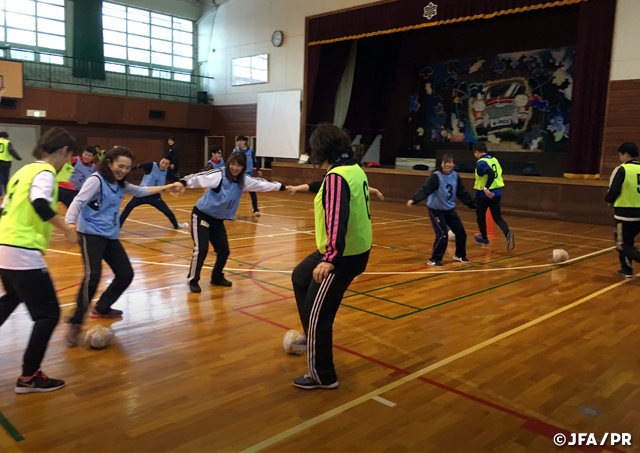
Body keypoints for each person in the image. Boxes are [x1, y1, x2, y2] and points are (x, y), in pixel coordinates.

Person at [64, 147, 182, 346]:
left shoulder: (119, 184)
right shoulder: (96, 180)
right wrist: (69, 224)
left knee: (126, 274)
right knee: (92, 277)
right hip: (90, 235)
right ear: (109, 163)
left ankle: (102, 308)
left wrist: (166, 188)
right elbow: (78, 202)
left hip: (110, 236)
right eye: (120, 166)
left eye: (127, 168)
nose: (123, 171)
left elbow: (141, 191)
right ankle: (76, 322)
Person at [285, 123, 372, 390]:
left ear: (322, 148)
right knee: (300, 276)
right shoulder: (352, 169)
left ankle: (323, 375)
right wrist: (302, 188)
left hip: (341, 255)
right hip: (352, 250)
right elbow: (335, 189)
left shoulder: (337, 177)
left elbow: (337, 219)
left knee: (318, 313)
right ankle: (312, 337)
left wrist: (329, 259)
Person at [0, 127, 77, 393]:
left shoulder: (22, 171)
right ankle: (29, 377)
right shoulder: (45, 173)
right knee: (48, 314)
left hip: (4, 246)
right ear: (64, 151)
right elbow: (40, 204)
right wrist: (66, 228)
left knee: (11, 298)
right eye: (69, 156)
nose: (67, 162)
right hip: (22, 250)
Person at [179, 151, 286, 293]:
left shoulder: (243, 180)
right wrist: (183, 182)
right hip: (201, 216)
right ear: (228, 163)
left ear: (243, 167)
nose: (235, 168)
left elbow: (261, 184)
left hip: (217, 220)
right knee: (201, 249)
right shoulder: (219, 175)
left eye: (239, 165)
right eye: (233, 164)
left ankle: (217, 277)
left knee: (224, 251)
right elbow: (200, 177)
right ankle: (192, 280)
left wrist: (280, 187)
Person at [407, 153, 477, 267]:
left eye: (450, 162)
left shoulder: (455, 176)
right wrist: (414, 199)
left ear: (453, 164)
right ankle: (434, 259)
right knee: (442, 234)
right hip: (436, 210)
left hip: (449, 210)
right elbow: (425, 189)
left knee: (461, 233)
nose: (447, 165)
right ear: (441, 164)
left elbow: (462, 193)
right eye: (445, 162)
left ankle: (459, 255)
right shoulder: (436, 176)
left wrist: (473, 204)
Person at [119, 157, 189, 229]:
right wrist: (127, 171)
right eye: (162, 162)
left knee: (168, 211)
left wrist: (183, 184)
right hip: (142, 193)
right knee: (128, 208)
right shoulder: (151, 165)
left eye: (166, 164)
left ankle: (176, 225)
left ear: (168, 166)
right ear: (160, 161)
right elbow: (138, 167)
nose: (163, 165)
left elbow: (180, 177)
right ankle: (118, 226)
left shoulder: (167, 172)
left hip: (155, 196)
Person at [605, 142, 640, 278]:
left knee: (621, 245)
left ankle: (628, 267)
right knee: (628, 241)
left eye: (620, 155)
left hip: (625, 213)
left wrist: (609, 200)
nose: (620, 158)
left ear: (626, 155)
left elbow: (614, 190)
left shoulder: (622, 169)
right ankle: (626, 269)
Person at [472, 142, 514, 250]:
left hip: (483, 194)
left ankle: (484, 238)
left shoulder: (481, 162)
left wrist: (486, 188)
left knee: (480, 216)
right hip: (497, 193)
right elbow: (497, 173)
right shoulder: (495, 160)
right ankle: (507, 233)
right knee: (497, 217)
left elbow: (490, 173)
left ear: (476, 152)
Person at [234, 135, 262, 216]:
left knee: (252, 191)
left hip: (249, 174)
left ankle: (255, 209)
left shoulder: (250, 150)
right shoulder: (236, 150)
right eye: (238, 141)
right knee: (235, 192)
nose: (238, 143)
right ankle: (230, 210)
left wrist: (258, 169)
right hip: (239, 174)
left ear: (244, 142)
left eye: (240, 141)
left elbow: (255, 160)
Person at [0, 131, 23, 198]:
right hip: (5, 162)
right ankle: (7, 193)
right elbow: (11, 151)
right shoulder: (7, 142)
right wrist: (18, 158)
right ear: (6, 137)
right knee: (5, 179)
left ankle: (0, 194)